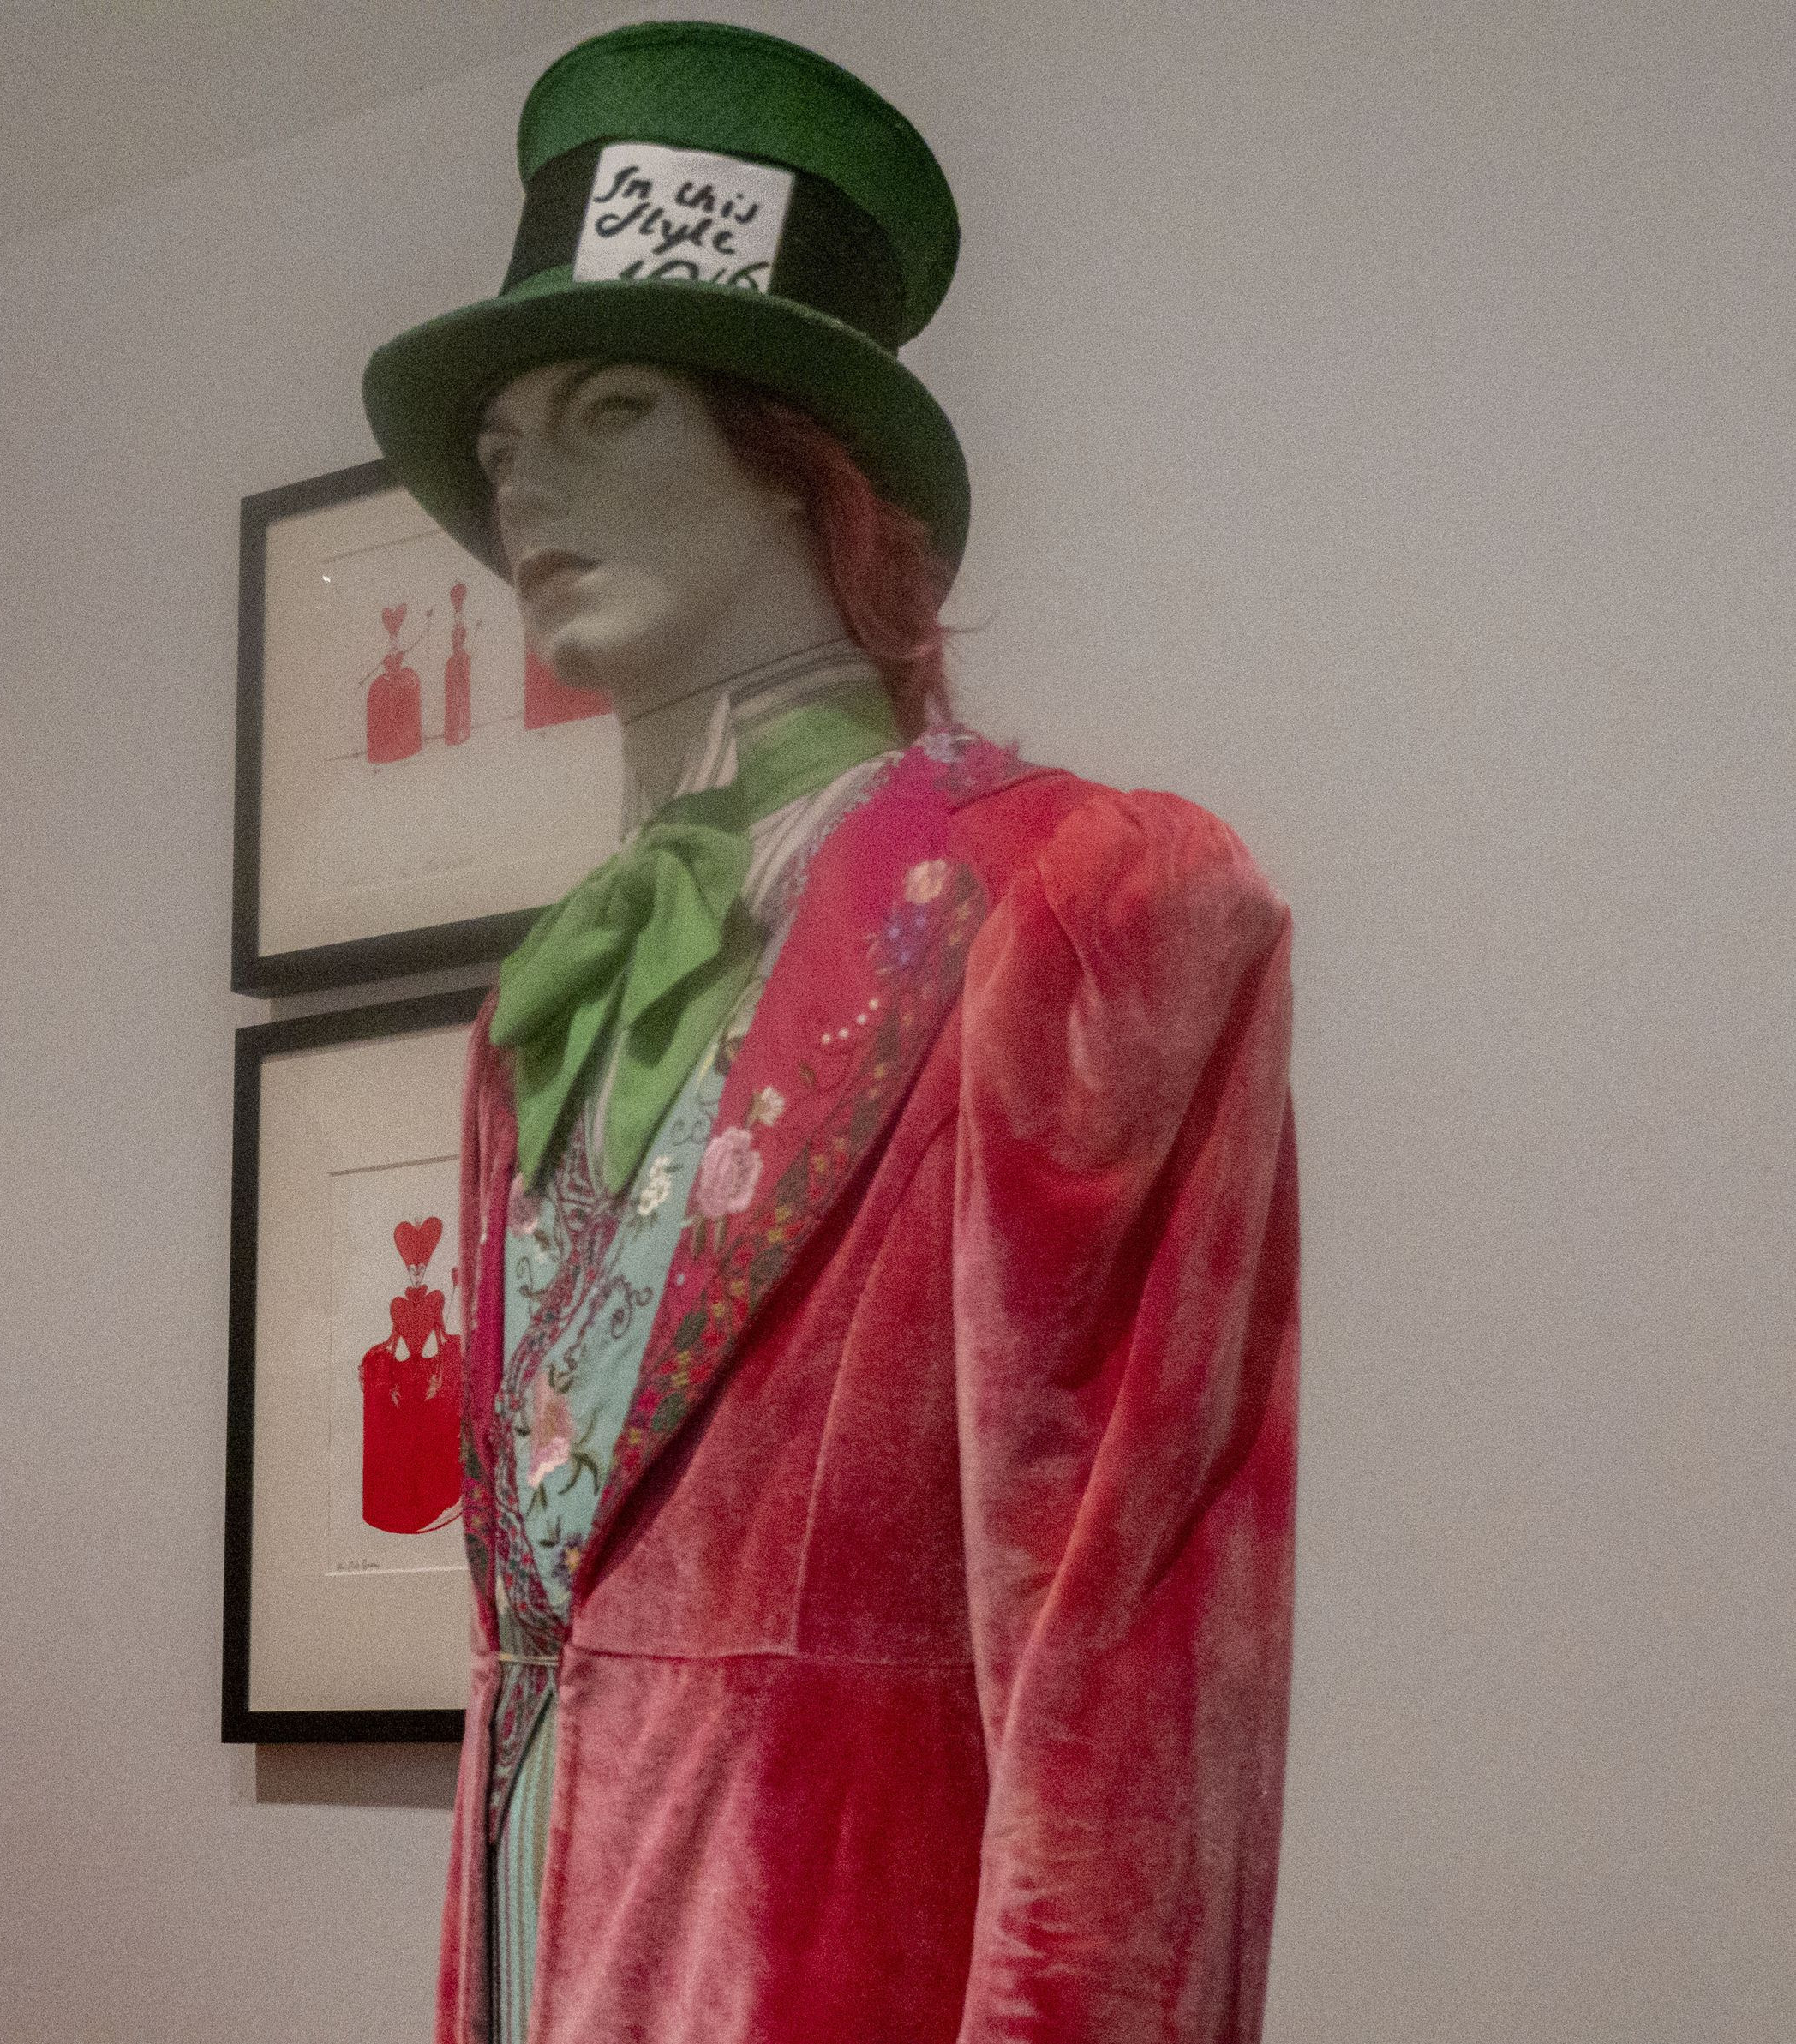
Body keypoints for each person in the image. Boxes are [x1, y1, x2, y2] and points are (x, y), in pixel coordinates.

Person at [360, 25, 1297, 2042]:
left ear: (803, 456)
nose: (526, 476)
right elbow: (532, 1647)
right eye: (505, 437)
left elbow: (1127, 1700)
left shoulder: (1085, 910)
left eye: (612, 405)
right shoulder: (542, 1020)